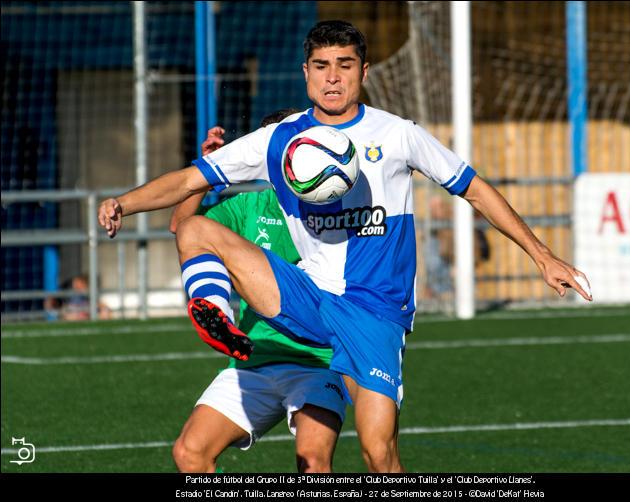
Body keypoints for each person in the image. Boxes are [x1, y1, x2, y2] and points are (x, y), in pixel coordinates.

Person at [98, 20, 592, 472]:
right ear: (305, 73)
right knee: (195, 229)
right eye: (321, 66)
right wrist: (124, 201)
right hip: (308, 297)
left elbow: (475, 188)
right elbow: (188, 179)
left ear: (364, 71)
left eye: (344, 65)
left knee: (380, 453)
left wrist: (542, 255)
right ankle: (213, 313)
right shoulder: (278, 140)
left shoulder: (398, 135)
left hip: (373, 314)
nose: (332, 78)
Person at [170, 110, 346, 474]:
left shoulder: (337, 202)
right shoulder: (250, 206)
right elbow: (183, 225)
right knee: (190, 452)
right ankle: (217, 315)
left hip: (317, 360)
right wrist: (208, 168)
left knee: (313, 461)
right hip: (253, 357)